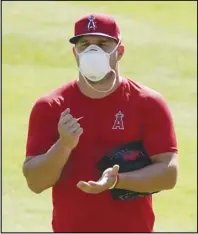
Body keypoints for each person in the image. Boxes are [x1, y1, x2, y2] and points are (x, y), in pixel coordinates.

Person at [23, 13, 178, 232]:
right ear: (75, 53)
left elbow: (168, 174)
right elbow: (35, 183)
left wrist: (117, 181)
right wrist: (64, 145)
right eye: (84, 44)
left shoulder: (148, 104)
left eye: (103, 44)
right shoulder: (50, 107)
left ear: (120, 51)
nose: (92, 51)